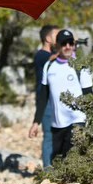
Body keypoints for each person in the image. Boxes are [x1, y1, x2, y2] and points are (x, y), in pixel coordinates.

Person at [28, 29, 93, 162]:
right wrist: (36, 122)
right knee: (57, 159)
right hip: (58, 123)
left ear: (74, 45)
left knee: (73, 156)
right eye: (64, 43)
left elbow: (89, 94)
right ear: (57, 45)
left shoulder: (81, 66)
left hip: (77, 120)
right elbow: (43, 96)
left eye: (70, 43)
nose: (67, 46)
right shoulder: (49, 66)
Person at [32, 25, 59, 169]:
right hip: (46, 100)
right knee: (49, 134)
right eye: (57, 35)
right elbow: (51, 60)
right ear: (48, 39)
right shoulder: (41, 55)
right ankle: (48, 168)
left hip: (56, 99)